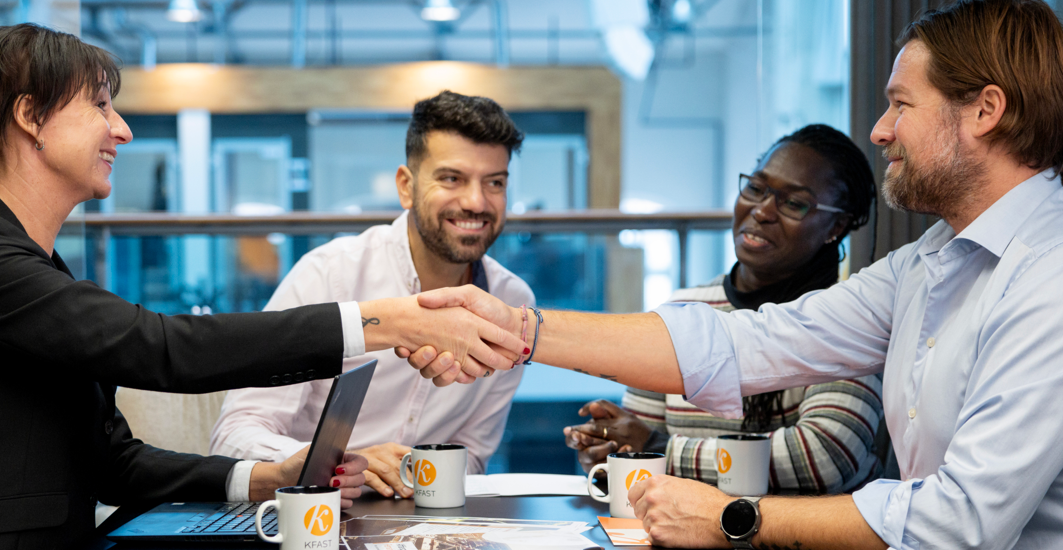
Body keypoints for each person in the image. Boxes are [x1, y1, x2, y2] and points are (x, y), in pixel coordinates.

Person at [405, 1, 1063, 547]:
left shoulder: (1048, 276)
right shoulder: (924, 264)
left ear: (985, 111)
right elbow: (742, 344)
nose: (880, 129)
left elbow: (961, 520)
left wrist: (731, 518)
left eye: (901, 105)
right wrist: (518, 328)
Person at [0, 24, 524, 549]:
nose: (123, 130)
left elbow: (113, 463)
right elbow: (157, 347)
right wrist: (386, 322)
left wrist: (266, 479)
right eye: (101, 106)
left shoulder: (26, 258)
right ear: (31, 117)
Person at [210, 91, 535, 498]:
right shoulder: (330, 275)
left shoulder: (513, 304)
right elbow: (233, 438)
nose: (476, 202)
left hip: (427, 524)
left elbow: (472, 459)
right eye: (451, 179)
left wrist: (413, 478)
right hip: (313, 518)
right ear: (406, 186)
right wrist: (345, 461)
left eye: (495, 183)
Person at [564, 124, 884, 495]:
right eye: (755, 188)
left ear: (837, 226)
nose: (762, 211)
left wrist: (660, 450)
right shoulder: (683, 310)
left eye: (793, 203)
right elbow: (634, 445)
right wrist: (609, 456)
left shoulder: (848, 318)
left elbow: (823, 457)